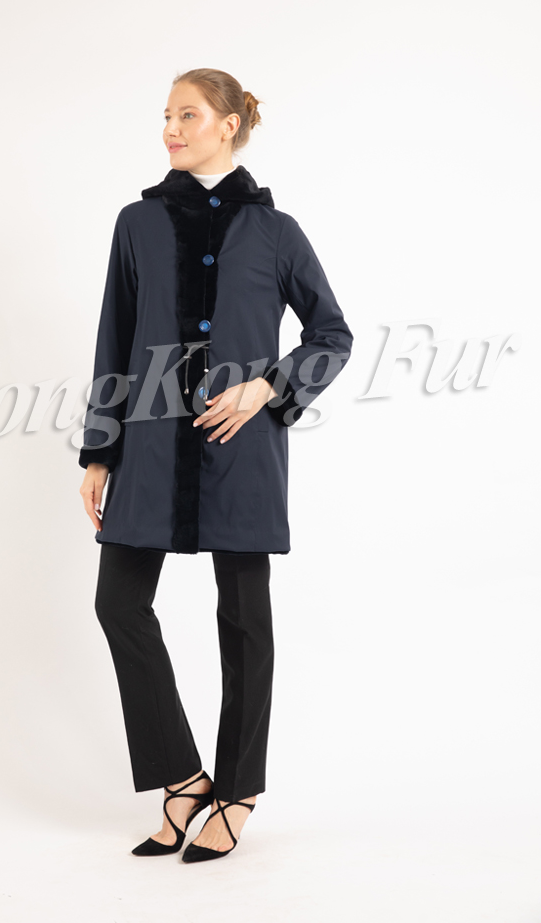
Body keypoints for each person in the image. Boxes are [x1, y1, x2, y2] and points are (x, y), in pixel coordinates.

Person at [79, 68, 354, 861]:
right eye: (165, 116)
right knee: (118, 604)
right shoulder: (136, 223)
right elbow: (114, 337)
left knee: (243, 622)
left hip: (242, 452)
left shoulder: (276, 232)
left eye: (187, 115)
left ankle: (237, 791)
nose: (170, 128)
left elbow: (331, 334)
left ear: (228, 125)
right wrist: (99, 451)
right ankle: (182, 777)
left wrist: (268, 386)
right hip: (148, 446)